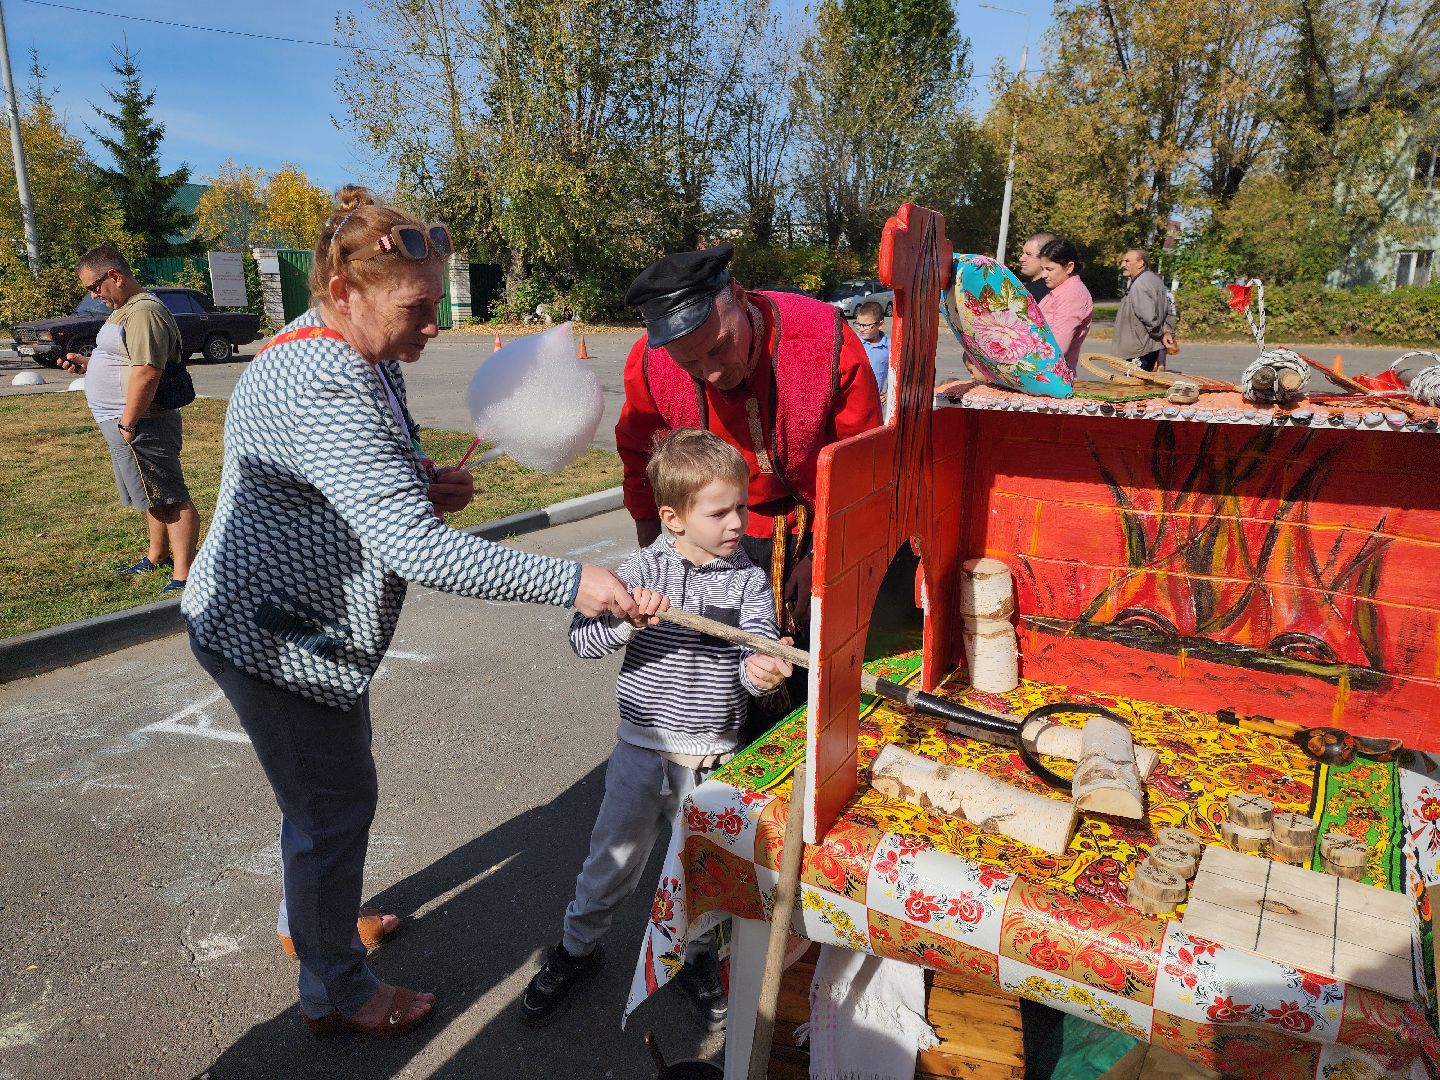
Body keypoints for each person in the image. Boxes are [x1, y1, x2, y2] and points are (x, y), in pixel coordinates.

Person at [181, 186, 638, 1039]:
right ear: (343, 291)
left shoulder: (365, 354)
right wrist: (572, 583)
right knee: (332, 808)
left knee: (323, 800)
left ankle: (311, 923)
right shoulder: (320, 378)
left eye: (436, 304)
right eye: (415, 308)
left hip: (308, 631)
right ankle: (334, 991)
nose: (432, 325)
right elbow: (419, 552)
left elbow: (357, 471)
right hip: (270, 637)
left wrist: (422, 480)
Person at [520, 429, 793, 1031]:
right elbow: (583, 641)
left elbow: (752, 660)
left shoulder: (748, 579)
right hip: (641, 749)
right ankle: (576, 950)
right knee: (612, 859)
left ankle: (695, 957)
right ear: (672, 518)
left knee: (701, 866)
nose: (737, 523)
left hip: (714, 756)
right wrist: (627, 624)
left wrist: (763, 671)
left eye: (741, 507)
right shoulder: (642, 569)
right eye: (719, 513)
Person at [615, 245, 881, 657]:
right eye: (691, 364)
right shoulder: (650, 364)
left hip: (816, 525)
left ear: (739, 297)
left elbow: (860, 464)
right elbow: (640, 463)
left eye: (720, 346)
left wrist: (822, 558)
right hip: (713, 531)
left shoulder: (823, 339)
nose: (712, 373)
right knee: (720, 662)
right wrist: (652, 561)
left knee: (813, 658)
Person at [58, 247, 199, 594]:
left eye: (94, 287)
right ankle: (157, 555)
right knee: (151, 493)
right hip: (130, 422)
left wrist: (129, 422)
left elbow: (148, 370)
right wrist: (90, 365)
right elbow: (125, 359)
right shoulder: (125, 311)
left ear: (115, 276)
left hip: (144, 421)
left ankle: (185, 574)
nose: (93, 295)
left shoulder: (144, 311)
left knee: (169, 496)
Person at [1035, 237, 1094, 375]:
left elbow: (1058, 346)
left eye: (1049, 269)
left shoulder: (1072, 294)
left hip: (1052, 375)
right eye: (1042, 269)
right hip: (1044, 371)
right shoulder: (1062, 290)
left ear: (1069, 267)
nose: (1043, 275)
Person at [1114, 248, 1178, 372]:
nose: (1122, 265)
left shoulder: (1140, 284)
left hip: (1139, 350)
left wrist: (1161, 333)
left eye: (1127, 261)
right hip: (1149, 347)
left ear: (1140, 263)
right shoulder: (1155, 280)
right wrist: (1167, 332)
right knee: (1142, 382)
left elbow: (1149, 318)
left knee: (1134, 383)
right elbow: (1168, 311)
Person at [853, 299, 891, 404]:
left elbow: (898, 373)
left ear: (880, 324)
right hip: (853, 401)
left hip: (875, 403)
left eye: (865, 325)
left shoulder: (889, 346)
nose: (861, 329)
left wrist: (889, 393)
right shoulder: (853, 342)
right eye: (858, 324)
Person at [1017, 232, 1056, 302]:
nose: (1021, 259)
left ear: (1045, 256)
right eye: (1023, 253)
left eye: (1028, 254)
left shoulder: (1035, 294)